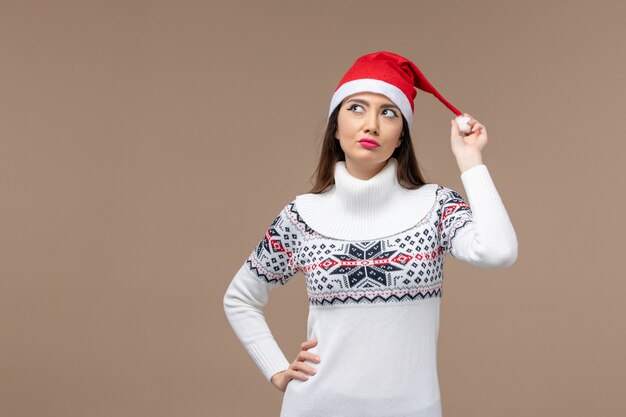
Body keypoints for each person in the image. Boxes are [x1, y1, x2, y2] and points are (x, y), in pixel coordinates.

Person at [223, 51, 518, 417]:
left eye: (389, 112)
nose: (372, 125)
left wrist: (470, 160)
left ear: (400, 138)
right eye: (357, 108)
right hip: (315, 407)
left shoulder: (436, 208)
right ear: (335, 126)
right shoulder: (301, 217)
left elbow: (499, 251)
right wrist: (277, 370)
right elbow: (240, 299)